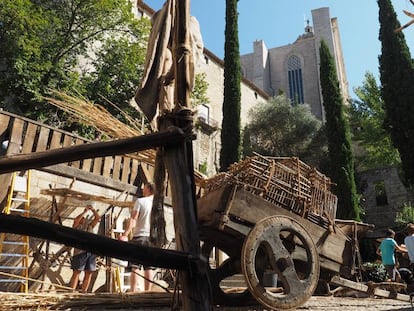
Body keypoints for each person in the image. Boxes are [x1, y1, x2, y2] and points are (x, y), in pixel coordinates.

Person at [120, 182, 155, 292]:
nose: (143, 190)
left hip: (139, 237)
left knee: (134, 265)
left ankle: (133, 292)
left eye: (144, 188)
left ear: (148, 189)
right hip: (152, 239)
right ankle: (147, 292)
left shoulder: (140, 201)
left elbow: (133, 219)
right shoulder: (158, 204)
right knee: (148, 266)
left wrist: (125, 234)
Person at [69, 204, 100, 292]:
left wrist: (93, 210)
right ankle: (71, 291)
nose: (83, 219)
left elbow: (97, 218)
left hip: (91, 252)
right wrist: (84, 212)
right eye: (81, 219)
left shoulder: (90, 227)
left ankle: (84, 291)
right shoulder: (76, 228)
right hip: (80, 252)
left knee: (89, 272)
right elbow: (75, 221)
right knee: (77, 272)